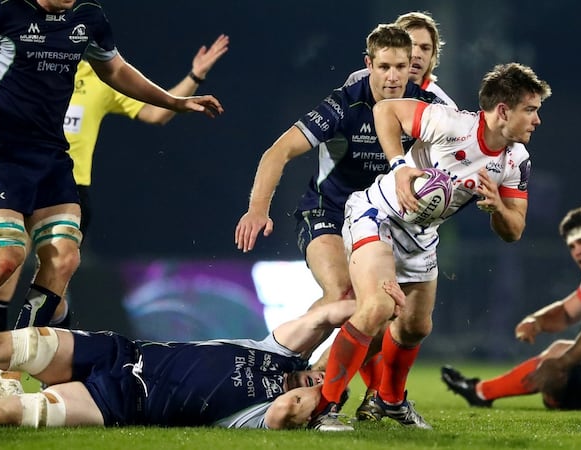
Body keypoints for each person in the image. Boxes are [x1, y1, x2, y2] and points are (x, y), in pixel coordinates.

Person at [0, 0, 222, 400]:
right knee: (6, 259)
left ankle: (6, 377)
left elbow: (116, 70)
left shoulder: (88, 19)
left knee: (64, 258)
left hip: (53, 159)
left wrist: (175, 101)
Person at [309, 62, 551, 430]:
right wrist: (399, 166)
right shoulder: (452, 124)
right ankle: (323, 409)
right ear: (503, 110)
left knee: (416, 327)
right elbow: (384, 109)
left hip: (421, 235)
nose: (537, 120)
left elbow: (514, 230)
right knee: (377, 308)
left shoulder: (515, 160)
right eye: (530, 110)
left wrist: (498, 207)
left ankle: (390, 401)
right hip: (379, 214)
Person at [233, 24, 448, 423]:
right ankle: (290, 373)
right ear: (369, 66)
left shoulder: (427, 108)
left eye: (401, 66)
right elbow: (278, 151)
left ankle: (327, 382)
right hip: (326, 214)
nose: (394, 76)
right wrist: (257, 209)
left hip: (383, 225)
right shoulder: (343, 104)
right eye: (384, 66)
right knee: (344, 294)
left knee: (388, 313)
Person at [0, 281, 406, 429]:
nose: (314, 375)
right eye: (319, 370)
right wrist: (373, 307)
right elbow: (325, 317)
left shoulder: (263, 414)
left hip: (117, 400)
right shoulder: (272, 350)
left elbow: (294, 409)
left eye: (323, 384)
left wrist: (329, 398)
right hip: (120, 351)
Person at [307, 10, 457, 420]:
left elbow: (452, 169)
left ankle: (382, 398)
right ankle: (311, 378)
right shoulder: (359, 88)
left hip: (409, 221)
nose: (415, 58)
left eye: (425, 49)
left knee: (412, 323)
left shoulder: (442, 108)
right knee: (360, 301)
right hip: (353, 209)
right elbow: (333, 139)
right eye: (410, 48)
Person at [442, 205, 581, 410]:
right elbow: (566, 313)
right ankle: (481, 391)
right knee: (559, 354)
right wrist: (538, 321)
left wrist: (563, 363)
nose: (578, 251)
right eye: (572, 246)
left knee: (564, 375)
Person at [344, 11, 456, 108]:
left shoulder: (443, 106)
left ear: (433, 55)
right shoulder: (357, 81)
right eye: (411, 45)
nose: (416, 54)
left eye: (425, 48)